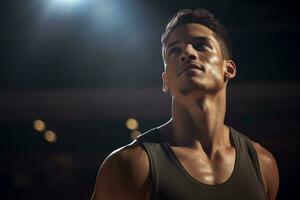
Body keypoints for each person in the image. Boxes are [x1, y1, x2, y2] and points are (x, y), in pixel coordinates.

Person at [91, 8, 279, 200]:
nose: (187, 52)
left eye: (201, 45)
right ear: (165, 81)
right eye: (174, 50)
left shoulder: (263, 164)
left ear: (228, 69)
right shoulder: (129, 164)